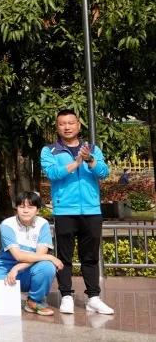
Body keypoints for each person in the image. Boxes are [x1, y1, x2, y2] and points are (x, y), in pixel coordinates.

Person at [40, 108, 114, 315]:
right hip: (64, 210)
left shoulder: (93, 149)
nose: (67, 127)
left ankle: (94, 297)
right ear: (57, 127)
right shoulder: (49, 151)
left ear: (78, 125)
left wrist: (90, 159)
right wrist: (76, 163)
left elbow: (104, 172)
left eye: (71, 123)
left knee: (90, 256)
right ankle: (66, 296)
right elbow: (53, 173)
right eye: (62, 123)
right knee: (64, 256)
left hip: (91, 209)